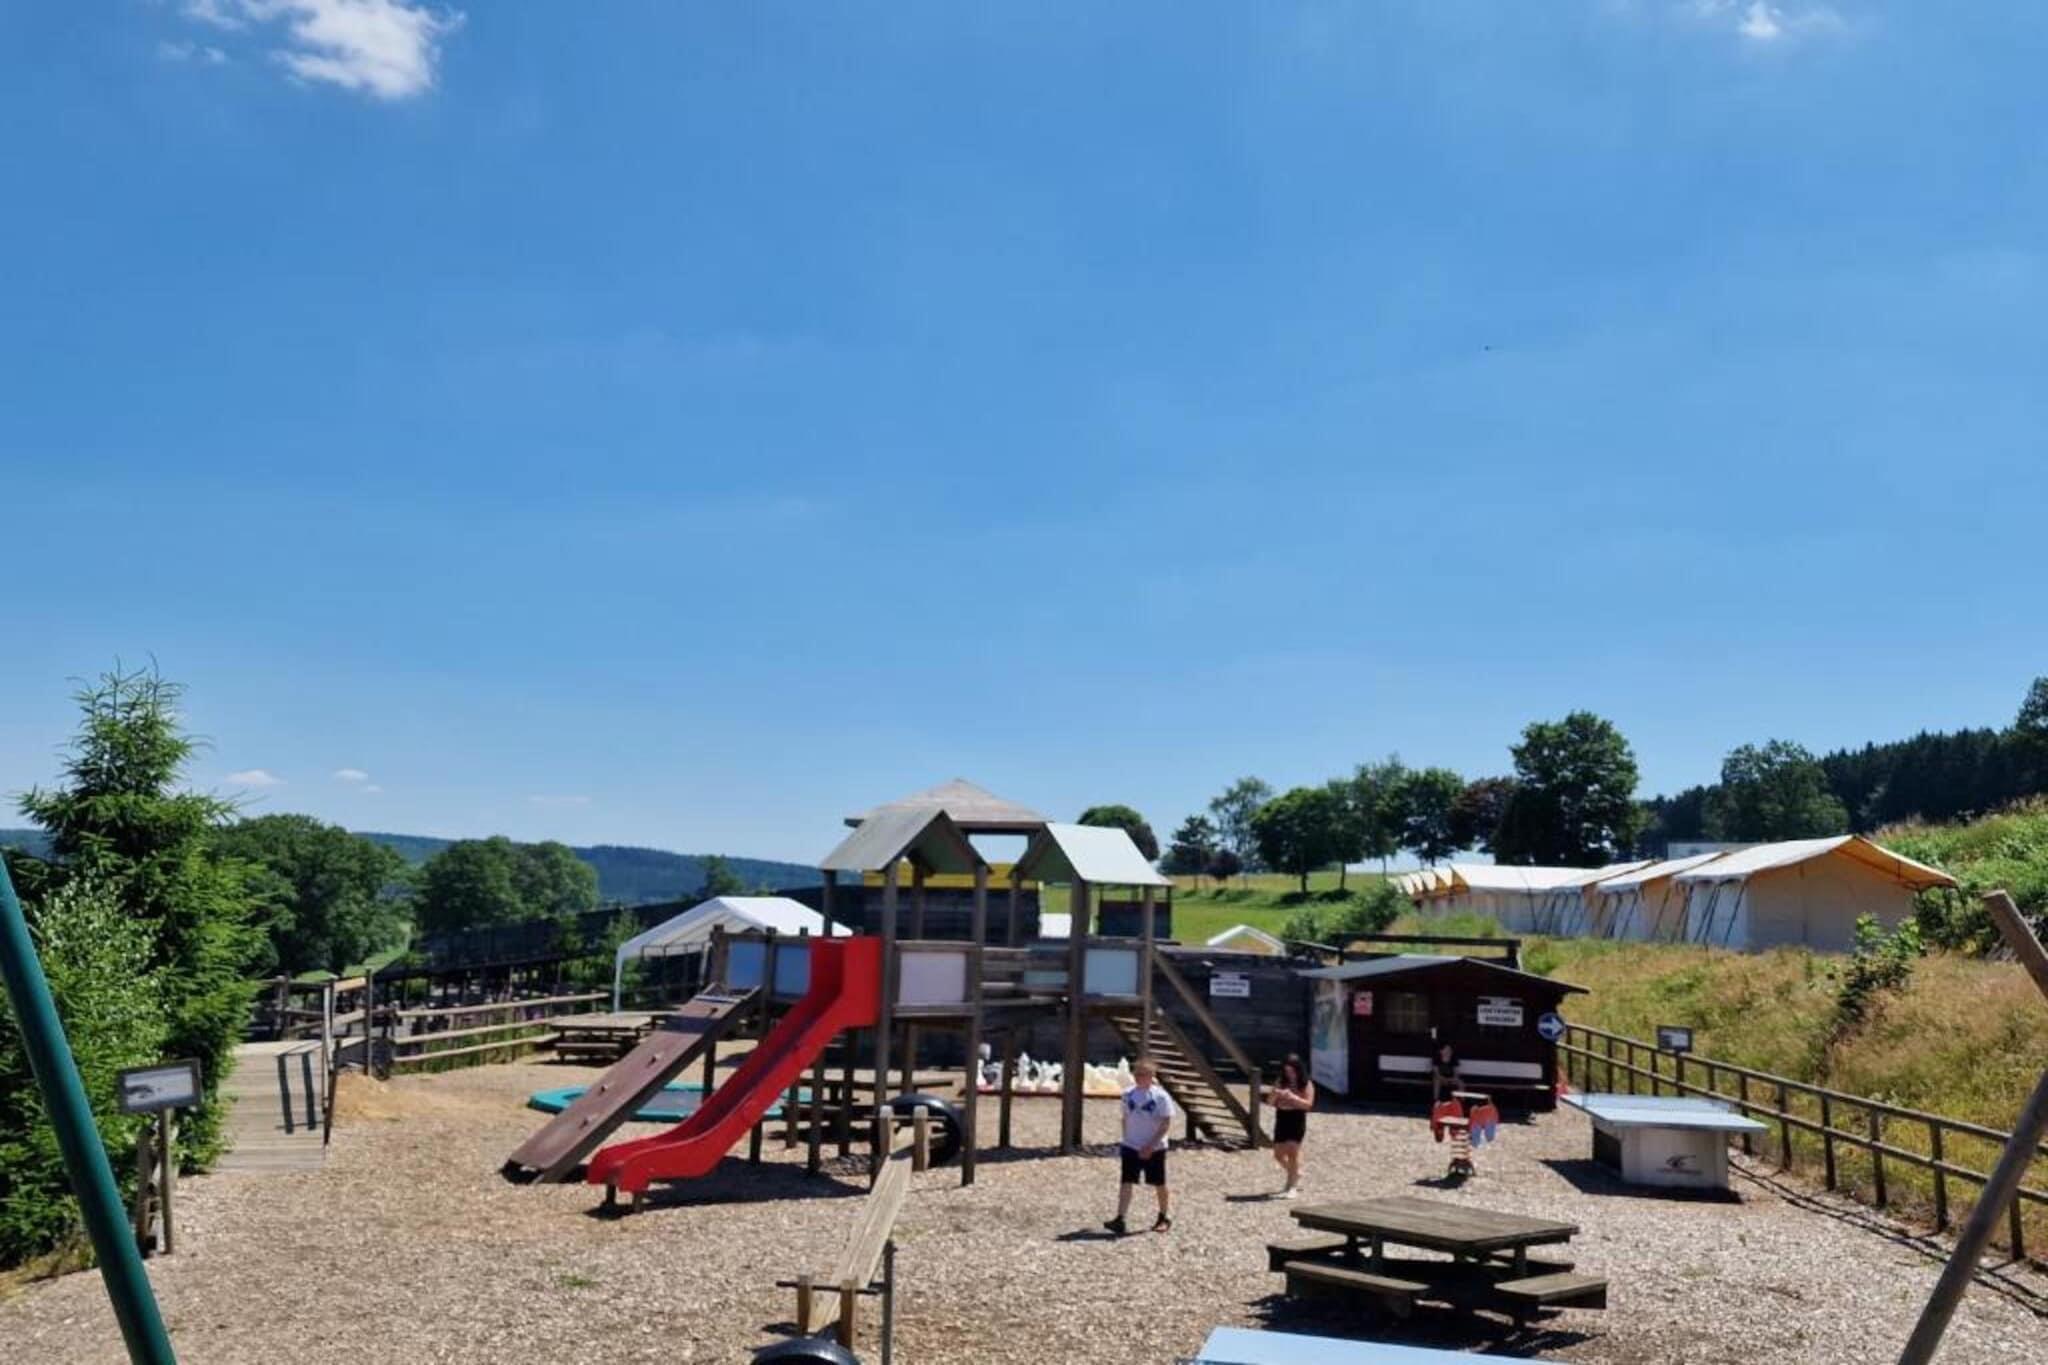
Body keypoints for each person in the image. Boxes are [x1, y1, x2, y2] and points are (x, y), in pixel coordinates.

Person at [1105, 1056, 1175, 1235]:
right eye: (1136, 1074)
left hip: (1154, 1148)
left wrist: (1151, 1145)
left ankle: (1164, 1216)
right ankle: (1120, 1218)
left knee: (1159, 1183)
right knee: (1126, 1181)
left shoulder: (1160, 1096)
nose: (1138, 1077)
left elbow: (1165, 1123)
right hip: (1131, 1145)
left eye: (1142, 1074)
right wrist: (1125, 1139)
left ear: (1151, 1076)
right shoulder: (1127, 1094)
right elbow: (1125, 1117)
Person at [1265, 1053, 1315, 1198]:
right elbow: (1269, 1102)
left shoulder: (1306, 1084)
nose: (1289, 1074)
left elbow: (1308, 1105)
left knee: (1293, 1152)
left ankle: (1291, 1186)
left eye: (1292, 1071)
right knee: (1278, 1155)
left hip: (1297, 1118)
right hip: (1282, 1118)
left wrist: (1293, 1097)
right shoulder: (1281, 1081)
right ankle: (1295, 1173)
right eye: (1287, 1071)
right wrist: (1275, 1094)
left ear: (1299, 1070)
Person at [1430, 1040, 1462, 1105]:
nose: (1448, 1051)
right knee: (1437, 1081)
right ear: (1441, 1051)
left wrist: (1452, 1079)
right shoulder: (1436, 1059)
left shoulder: (1454, 1059)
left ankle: (1461, 1102)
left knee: (1461, 1083)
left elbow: (1456, 1074)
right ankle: (1435, 1101)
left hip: (1451, 1078)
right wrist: (1443, 1079)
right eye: (1446, 1049)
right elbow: (1436, 1073)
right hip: (1440, 1078)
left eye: (1450, 1050)